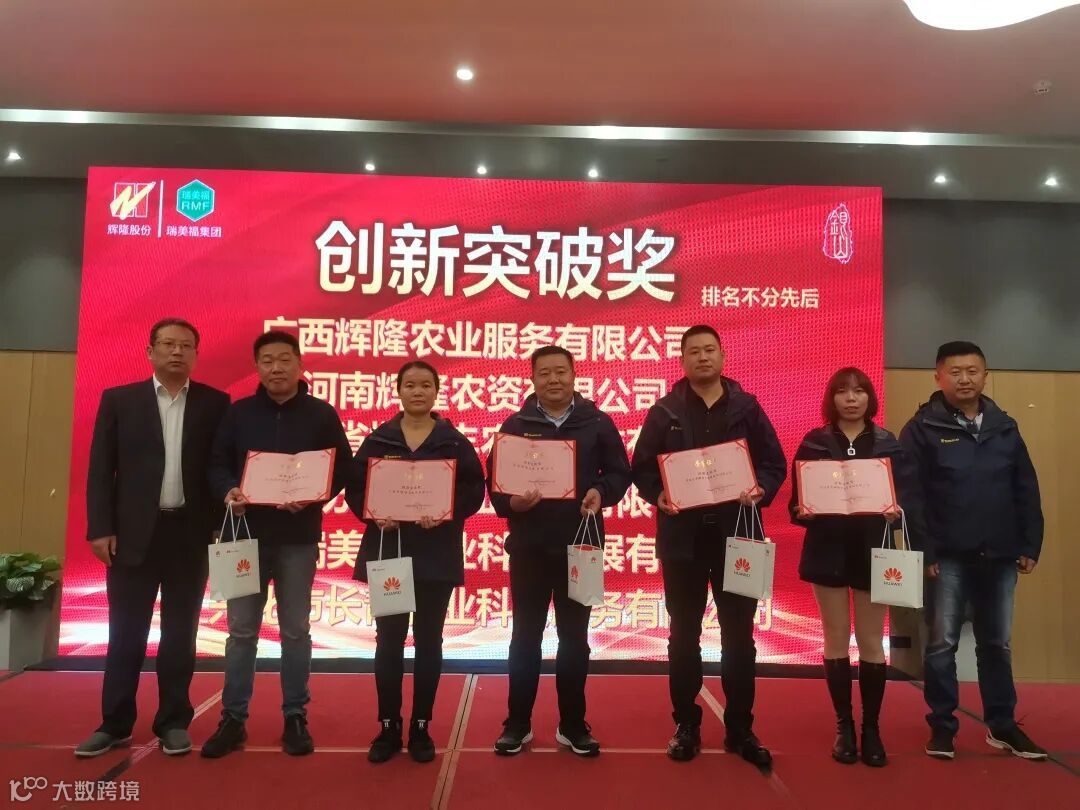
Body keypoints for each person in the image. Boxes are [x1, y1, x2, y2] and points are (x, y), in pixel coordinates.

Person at [631, 324, 786, 767]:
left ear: (722, 356)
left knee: (740, 637)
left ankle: (740, 728)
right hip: (683, 540)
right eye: (694, 351)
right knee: (684, 636)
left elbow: (773, 463)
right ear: (682, 360)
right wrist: (657, 495)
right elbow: (642, 469)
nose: (703, 357)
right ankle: (686, 724)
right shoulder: (665, 411)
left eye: (710, 350)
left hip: (737, 538)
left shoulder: (747, 407)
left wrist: (761, 489)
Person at [76, 319, 229, 758]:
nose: (177, 352)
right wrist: (99, 528)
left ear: (196, 354)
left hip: (190, 534)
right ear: (150, 351)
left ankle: (173, 722)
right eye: (168, 344)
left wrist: (219, 525)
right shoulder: (120, 400)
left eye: (186, 346)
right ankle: (115, 723)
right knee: (126, 632)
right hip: (131, 535)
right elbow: (100, 469)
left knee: (181, 633)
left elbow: (220, 467)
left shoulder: (215, 404)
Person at [201, 330, 353, 758]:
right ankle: (233, 718)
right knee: (241, 631)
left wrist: (315, 495)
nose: (276, 368)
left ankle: (295, 715)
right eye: (267, 361)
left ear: (300, 364)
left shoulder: (321, 414)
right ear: (257, 367)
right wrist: (229, 490)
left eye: (284, 359)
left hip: (297, 538)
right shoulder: (239, 413)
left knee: (295, 630)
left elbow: (342, 467)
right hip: (244, 538)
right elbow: (216, 464)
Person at [900, 341, 1047, 761]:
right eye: (955, 372)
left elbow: (1025, 487)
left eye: (972, 371)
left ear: (985, 375)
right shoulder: (922, 428)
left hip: (1000, 553)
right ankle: (943, 727)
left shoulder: (1005, 426)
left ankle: (1002, 725)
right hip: (946, 554)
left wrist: (1030, 542)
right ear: (938, 377)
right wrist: (923, 551)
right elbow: (911, 496)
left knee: (996, 644)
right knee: (941, 644)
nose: (964, 379)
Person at [489, 346, 631, 758]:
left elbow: (620, 473)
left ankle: (572, 723)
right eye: (545, 373)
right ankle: (517, 723)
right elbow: (495, 482)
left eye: (560, 372)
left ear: (574, 375)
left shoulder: (597, 422)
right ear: (532, 379)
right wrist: (512, 504)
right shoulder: (515, 426)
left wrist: (600, 491)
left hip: (581, 546)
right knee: (524, 638)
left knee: (575, 639)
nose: (553, 379)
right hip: (530, 548)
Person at [345, 361, 485, 764]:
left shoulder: (453, 442)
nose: (418, 391)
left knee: (429, 641)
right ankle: (388, 725)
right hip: (389, 550)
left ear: (436, 391)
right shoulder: (379, 439)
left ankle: (421, 725)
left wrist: (444, 511)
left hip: (435, 554)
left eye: (425, 385)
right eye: (410, 385)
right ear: (399, 390)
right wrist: (373, 513)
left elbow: (474, 491)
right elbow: (356, 487)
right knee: (388, 641)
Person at [789, 367, 926, 767]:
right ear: (831, 399)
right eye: (843, 392)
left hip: (872, 551)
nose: (851, 399)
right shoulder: (814, 443)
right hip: (827, 549)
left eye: (859, 391)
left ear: (870, 397)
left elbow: (908, 499)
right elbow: (797, 503)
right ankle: (844, 726)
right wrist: (804, 511)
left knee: (870, 642)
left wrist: (897, 512)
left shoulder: (889, 444)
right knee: (835, 639)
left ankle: (871, 728)